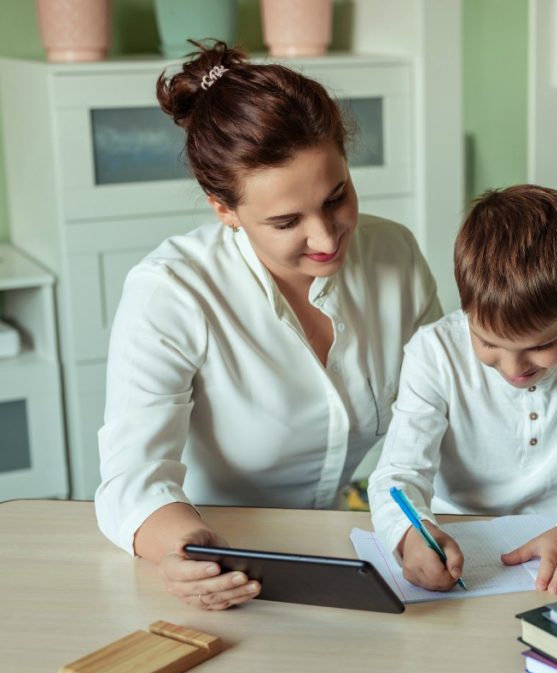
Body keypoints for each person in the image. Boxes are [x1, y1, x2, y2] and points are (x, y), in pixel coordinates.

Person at [94, 42, 442, 610]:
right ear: (222, 208)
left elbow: (447, 406)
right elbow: (131, 477)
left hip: (341, 553)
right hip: (221, 557)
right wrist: (182, 546)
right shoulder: (170, 292)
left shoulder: (394, 254)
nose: (328, 238)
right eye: (286, 221)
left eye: (338, 197)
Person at [368, 184, 557, 595]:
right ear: (465, 308)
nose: (515, 368)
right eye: (489, 343)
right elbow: (398, 475)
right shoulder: (433, 352)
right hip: (462, 542)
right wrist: (410, 535)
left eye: (542, 344)